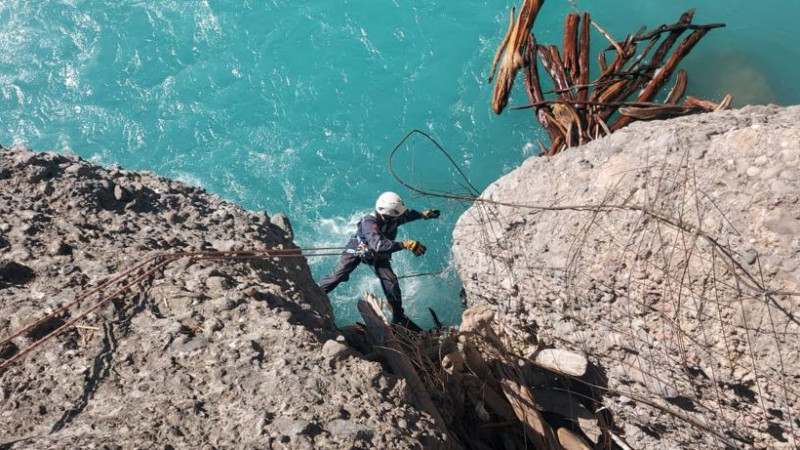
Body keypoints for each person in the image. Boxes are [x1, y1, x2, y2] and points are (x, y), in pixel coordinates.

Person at [318, 191, 440, 326]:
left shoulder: (392, 216)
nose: (399, 217)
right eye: (396, 216)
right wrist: (404, 244)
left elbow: (405, 216)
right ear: (387, 216)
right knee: (339, 275)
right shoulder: (369, 222)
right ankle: (316, 293)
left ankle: (398, 316)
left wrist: (422, 215)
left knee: (391, 282)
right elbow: (379, 245)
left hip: (377, 251)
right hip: (359, 245)